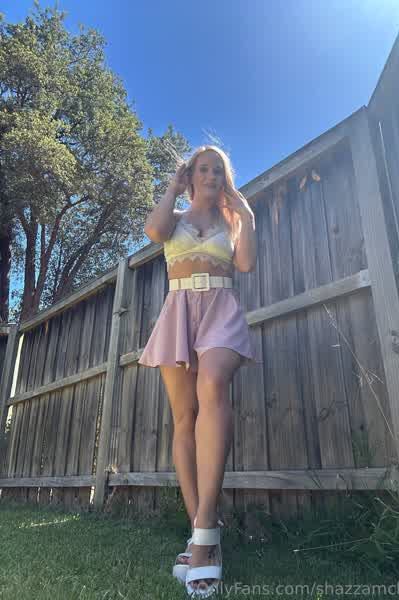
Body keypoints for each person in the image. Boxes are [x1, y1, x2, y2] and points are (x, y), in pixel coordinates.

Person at [138, 145, 262, 597]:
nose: (210, 176)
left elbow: (245, 264)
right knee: (184, 419)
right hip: (178, 312)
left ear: (225, 177)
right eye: (203, 169)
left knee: (213, 383)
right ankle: (200, 534)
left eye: (218, 170)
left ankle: (206, 528)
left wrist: (246, 215)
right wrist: (172, 188)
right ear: (191, 176)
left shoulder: (232, 222)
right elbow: (154, 231)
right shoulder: (173, 218)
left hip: (220, 310)